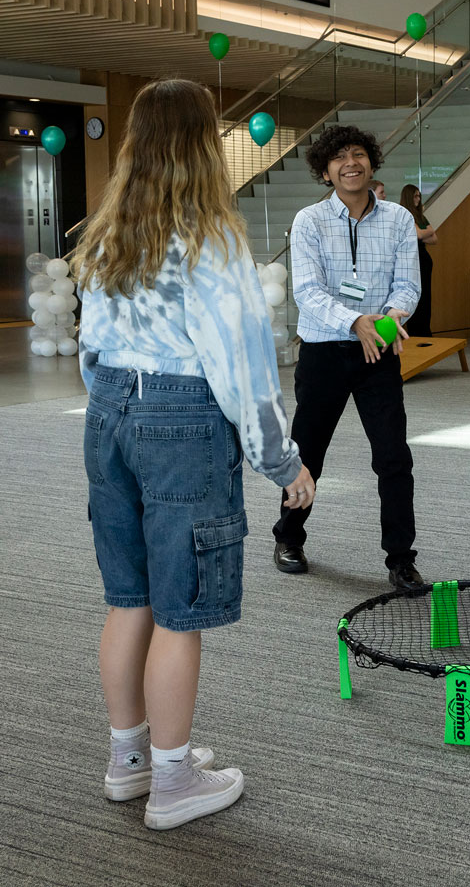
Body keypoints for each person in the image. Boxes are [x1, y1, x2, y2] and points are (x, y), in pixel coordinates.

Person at [72, 79, 315, 832]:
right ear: (204, 145)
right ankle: (174, 784)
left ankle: (131, 762)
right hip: (180, 421)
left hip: (108, 411)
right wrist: (284, 461)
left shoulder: (109, 231)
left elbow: (89, 349)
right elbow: (241, 368)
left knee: (129, 598)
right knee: (180, 611)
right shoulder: (210, 239)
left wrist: (118, 407)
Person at [272, 124, 423, 591]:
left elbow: (408, 285)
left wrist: (392, 317)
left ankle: (401, 558)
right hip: (323, 350)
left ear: (372, 162)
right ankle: (288, 537)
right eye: (339, 158)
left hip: (377, 350)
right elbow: (307, 292)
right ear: (325, 171)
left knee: (393, 457)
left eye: (359, 154)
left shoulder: (399, 219)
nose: (350, 163)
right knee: (307, 453)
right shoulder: (309, 221)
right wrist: (353, 321)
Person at [399, 184, 437, 337]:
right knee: (415, 295)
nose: (418, 199)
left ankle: (425, 329)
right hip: (413, 258)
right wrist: (426, 232)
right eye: (415, 196)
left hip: (424, 257)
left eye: (419, 196)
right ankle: (415, 330)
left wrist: (425, 233)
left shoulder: (420, 215)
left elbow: (434, 238)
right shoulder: (405, 214)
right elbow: (420, 235)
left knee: (426, 296)